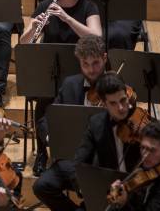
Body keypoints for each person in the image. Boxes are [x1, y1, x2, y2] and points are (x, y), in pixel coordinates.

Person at [32, 72, 141, 211]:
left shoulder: (138, 127)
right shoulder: (96, 124)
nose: (120, 108)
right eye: (113, 103)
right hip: (104, 191)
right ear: (104, 104)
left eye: (123, 100)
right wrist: (84, 186)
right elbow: (80, 161)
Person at [33, 35, 109, 175]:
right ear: (79, 61)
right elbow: (45, 120)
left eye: (95, 63)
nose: (91, 70)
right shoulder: (70, 84)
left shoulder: (115, 87)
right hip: (71, 158)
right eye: (85, 64)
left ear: (104, 58)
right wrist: (51, 137)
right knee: (42, 185)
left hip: (103, 161)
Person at [106, 121, 160, 211]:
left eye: (151, 150)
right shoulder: (148, 168)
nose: (144, 155)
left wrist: (124, 204)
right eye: (142, 148)